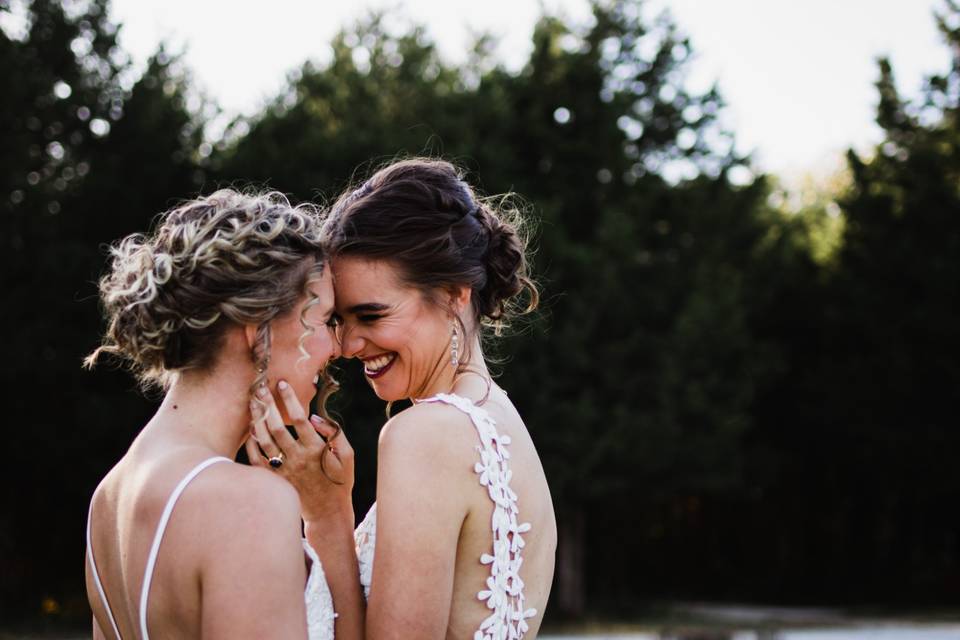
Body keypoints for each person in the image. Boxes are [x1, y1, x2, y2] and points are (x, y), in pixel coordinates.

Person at [255, 159, 557, 639]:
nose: (349, 346)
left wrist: (328, 517)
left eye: (371, 316)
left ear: (454, 294)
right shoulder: (502, 422)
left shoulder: (426, 435)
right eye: (340, 321)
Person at [83, 190, 360, 640]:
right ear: (258, 329)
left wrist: (329, 516)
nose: (338, 347)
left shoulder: (108, 498)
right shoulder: (247, 503)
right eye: (325, 320)